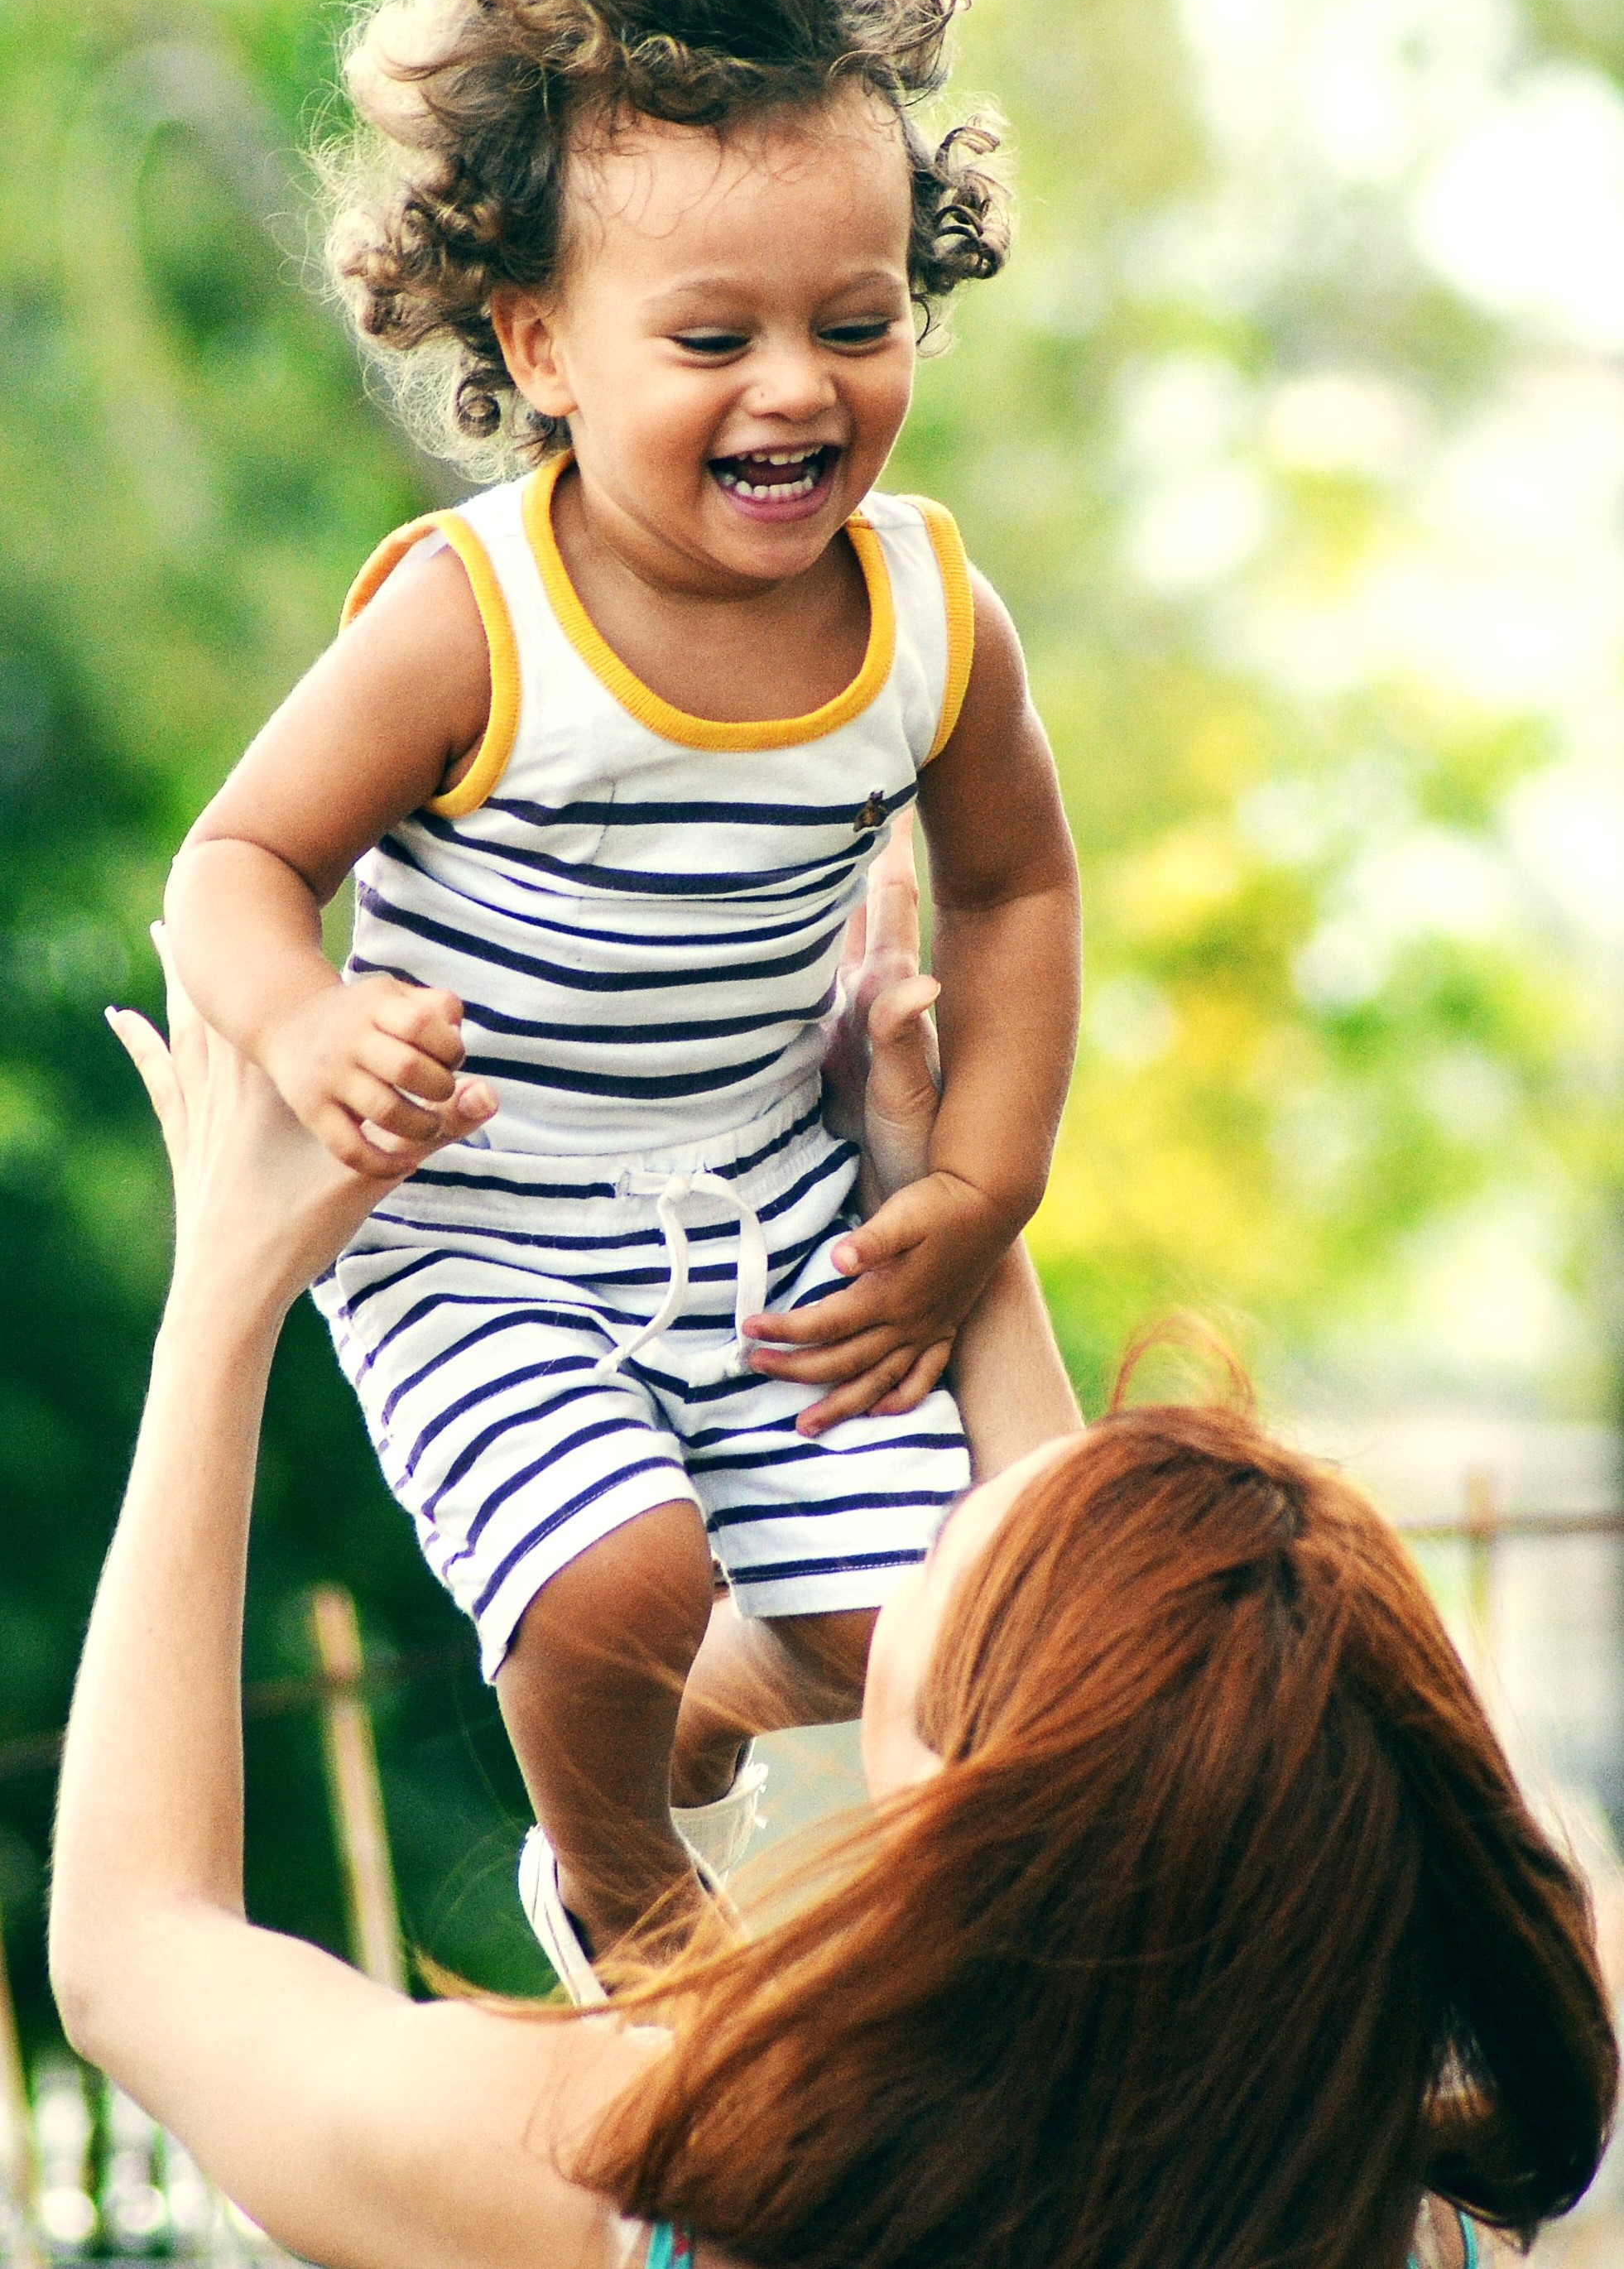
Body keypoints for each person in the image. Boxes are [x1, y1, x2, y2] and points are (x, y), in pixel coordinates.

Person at [50, 930, 1615, 2269]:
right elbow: (1132, 1741)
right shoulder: (1409, 2213)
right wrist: (935, 1206)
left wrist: (225, 1293)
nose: (935, 1513)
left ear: (954, 1809)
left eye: (943, 1555)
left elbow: (138, 1953)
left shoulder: (640, 2181)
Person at [161, 0, 1081, 1988]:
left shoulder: (930, 619)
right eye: (713, 340)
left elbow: (1021, 895)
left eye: (855, 323)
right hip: (481, 1220)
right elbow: (233, 859)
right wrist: (306, 1021)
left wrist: (974, 1189)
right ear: (537, 343)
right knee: (609, 1580)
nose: (796, 390)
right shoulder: (476, 622)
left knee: (922, 1639)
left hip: (763, 1200)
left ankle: (688, 1708)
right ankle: (631, 1900)